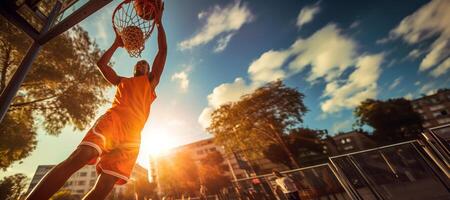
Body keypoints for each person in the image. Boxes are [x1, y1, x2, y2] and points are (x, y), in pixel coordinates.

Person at [25, 2, 166, 200]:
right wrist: (117, 44)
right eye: (139, 62)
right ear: (134, 69)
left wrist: (159, 23)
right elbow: (102, 64)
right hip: (113, 122)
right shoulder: (121, 81)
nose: (142, 63)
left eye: (145, 64)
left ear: (150, 72)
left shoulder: (150, 84)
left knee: (103, 189)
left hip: (132, 138)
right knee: (78, 158)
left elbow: (162, 52)